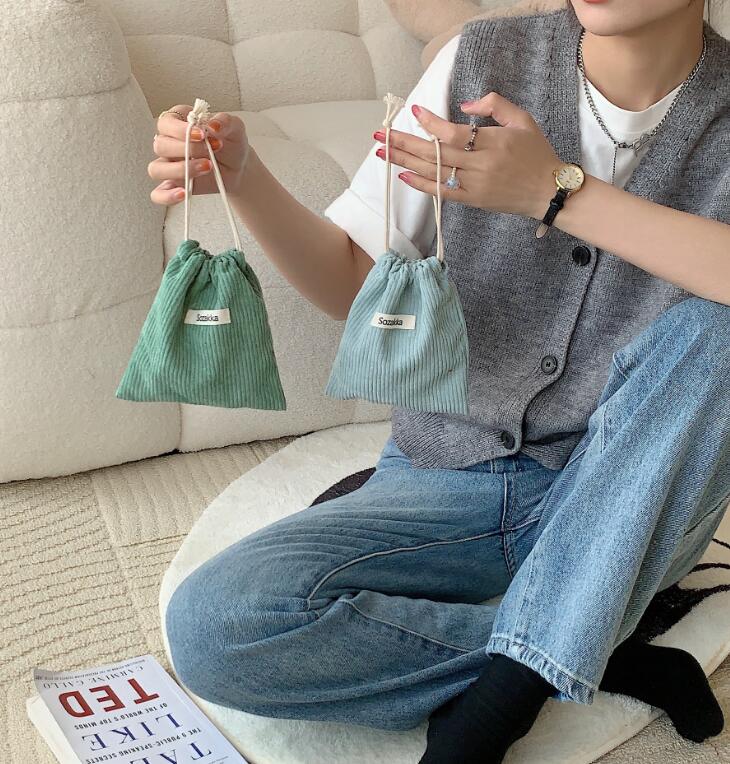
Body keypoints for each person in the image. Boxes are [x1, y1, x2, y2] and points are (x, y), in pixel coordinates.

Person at [151, 1, 730, 761]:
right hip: (448, 478)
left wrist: (556, 193)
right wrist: (244, 177)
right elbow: (353, 282)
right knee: (216, 627)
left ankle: (498, 707)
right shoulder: (478, 64)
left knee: (718, 333)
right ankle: (585, 648)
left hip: (636, 503)